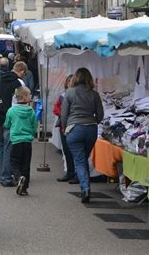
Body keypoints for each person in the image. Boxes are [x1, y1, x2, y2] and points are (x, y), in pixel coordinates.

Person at [61, 68, 104, 203]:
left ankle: (85, 188)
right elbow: (100, 114)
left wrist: (65, 127)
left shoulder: (69, 93)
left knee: (79, 160)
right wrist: (93, 122)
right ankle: (84, 186)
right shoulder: (94, 94)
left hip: (74, 128)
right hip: (91, 129)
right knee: (83, 158)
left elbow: (64, 114)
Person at [0, 61, 28, 187]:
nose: (24, 75)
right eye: (24, 73)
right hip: (11, 118)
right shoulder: (19, 83)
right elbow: (20, 101)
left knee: (0, 148)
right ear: (21, 71)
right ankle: (6, 177)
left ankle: (2, 174)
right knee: (8, 148)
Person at [3, 87, 37, 196]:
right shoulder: (31, 110)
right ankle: (25, 187)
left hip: (16, 140)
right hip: (27, 141)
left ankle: (18, 178)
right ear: (25, 97)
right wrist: (31, 133)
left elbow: (7, 124)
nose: (30, 97)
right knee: (26, 164)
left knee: (14, 161)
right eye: (29, 95)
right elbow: (34, 125)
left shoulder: (11, 110)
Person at [53, 74, 77, 183]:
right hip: (64, 126)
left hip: (74, 125)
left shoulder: (78, 95)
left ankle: (77, 173)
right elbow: (56, 108)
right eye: (69, 81)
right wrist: (63, 114)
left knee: (75, 151)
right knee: (67, 151)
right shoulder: (62, 96)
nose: (70, 83)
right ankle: (70, 172)